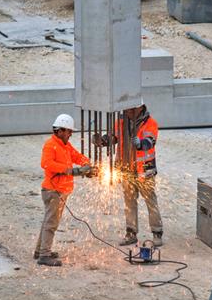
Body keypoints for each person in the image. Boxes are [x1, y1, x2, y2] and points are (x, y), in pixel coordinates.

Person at [95, 104, 163, 247]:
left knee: (151, 202)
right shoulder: (121, 121)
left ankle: (157, 233)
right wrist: (103, 141)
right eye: (125, 110)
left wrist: (140, 144)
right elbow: (114, 137)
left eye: (130, 110)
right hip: (126, 170)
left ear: (139, 108)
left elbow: (150, 142)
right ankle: (131, 233)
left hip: (144, 171)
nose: (127, 112)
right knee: (129, 203)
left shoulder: (151, 123)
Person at [34, 113, 92, 266]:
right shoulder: (50, 145)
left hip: (59, 190)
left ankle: (40, 250)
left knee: (49, 221)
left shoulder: (65, 145)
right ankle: (44, 255)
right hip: (53, 190)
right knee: (51, 223)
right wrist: (70, 170)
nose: (70, 134)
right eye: (69, 131)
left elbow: (76, 156)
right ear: (59, 131)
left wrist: (88, 165)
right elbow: (46, 164)